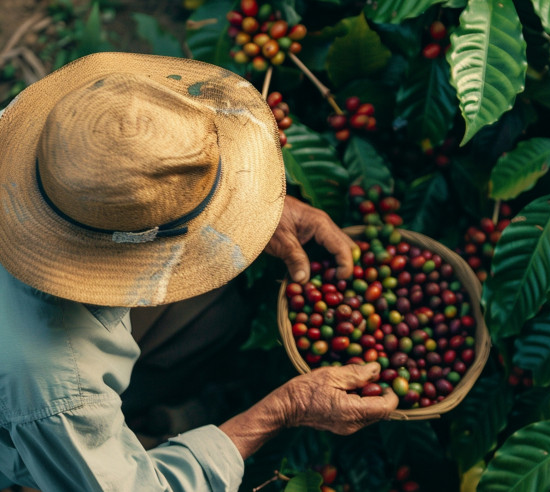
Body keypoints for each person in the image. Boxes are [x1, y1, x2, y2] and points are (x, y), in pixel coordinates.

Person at [0, 52, 398, 491]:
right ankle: (133, 433)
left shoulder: (58, 140)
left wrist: (248, 210)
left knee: (213, 317)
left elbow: (118, 185)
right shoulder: (59, 386)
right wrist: (285, 408)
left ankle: (153, 404)